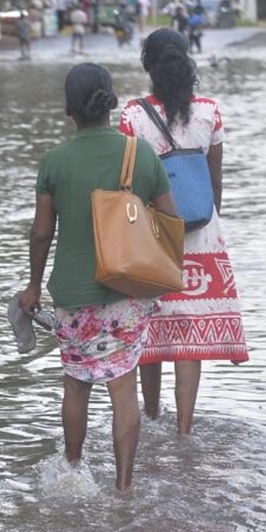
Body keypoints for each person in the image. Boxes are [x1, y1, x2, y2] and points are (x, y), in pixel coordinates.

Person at [17, 62, 178, 492]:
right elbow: (170, 220)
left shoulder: (53, 162)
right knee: (122, 389)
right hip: (126, 291)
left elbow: (41, 233)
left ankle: (72, 473)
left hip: (72, 291)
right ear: (110, 101)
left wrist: (33, 285)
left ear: (69, 108)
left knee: (76, 384)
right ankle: (124, 487)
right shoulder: (139, 153)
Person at [118, 28, 249, 436]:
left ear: (148, 66)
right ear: (188, 62)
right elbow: (215, 178)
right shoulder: (210, 111)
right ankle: (185, 429)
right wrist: (209, 221)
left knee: (151, 331)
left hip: (153, 236)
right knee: (190, 333)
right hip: (204, 236)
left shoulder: (133, 116)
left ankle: (153, 417)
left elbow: (129, 184)